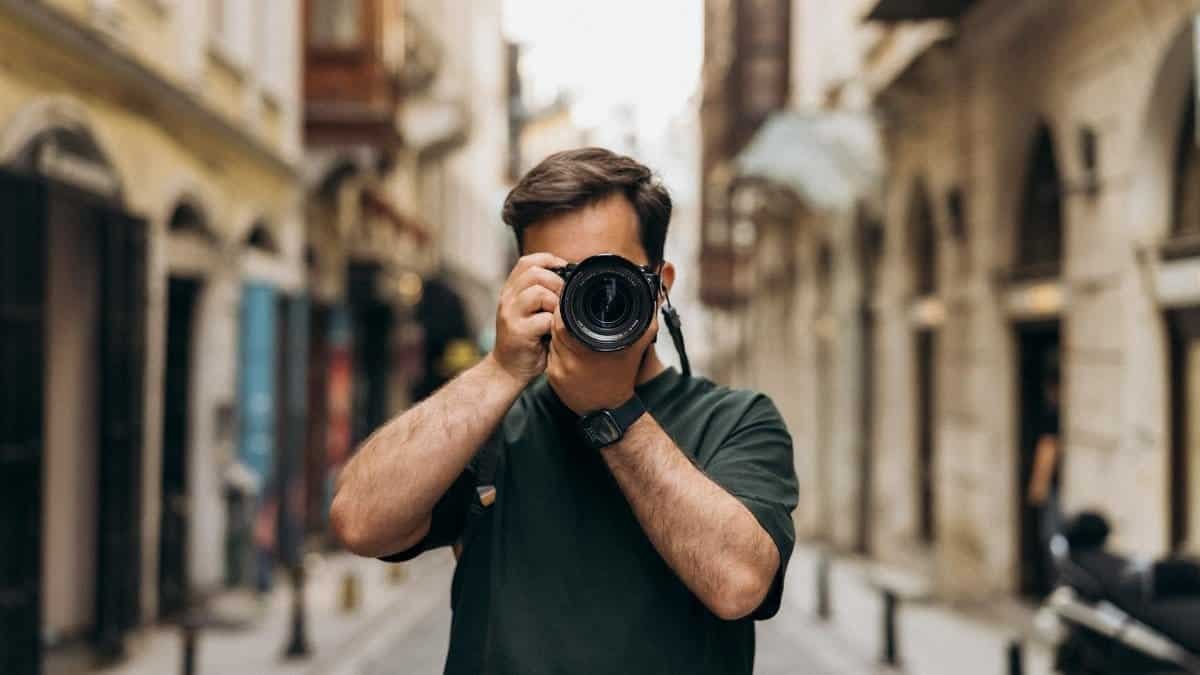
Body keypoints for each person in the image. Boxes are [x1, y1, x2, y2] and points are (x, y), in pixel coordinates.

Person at [330, 148, 799, 674]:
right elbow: (359, 522)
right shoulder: (490, 420)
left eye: (612, 275)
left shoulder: (736, 421)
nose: (594, 297)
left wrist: (613, 412)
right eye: (565, 277)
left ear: (661, 285)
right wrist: (501, 370)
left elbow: (739, 585)